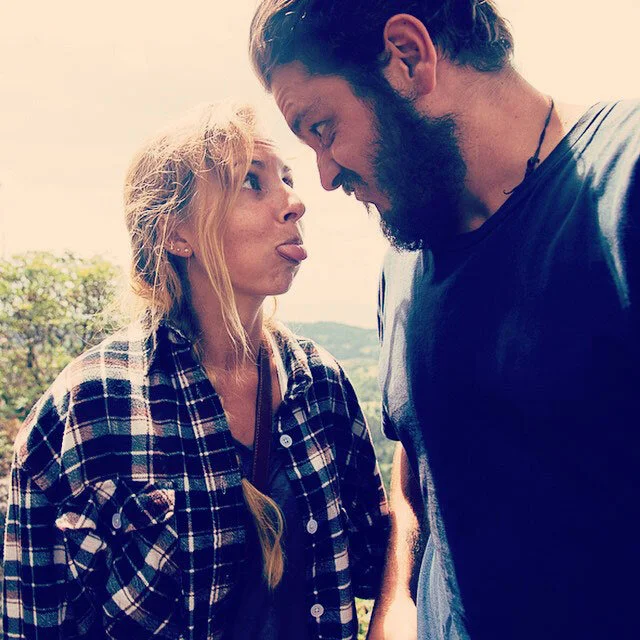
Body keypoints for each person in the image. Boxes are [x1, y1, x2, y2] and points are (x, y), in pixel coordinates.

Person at [248, 1, 640, 639]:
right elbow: (420, 472)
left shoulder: (625, 184)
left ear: (408, 57)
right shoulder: (403, 267)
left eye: (322, 127)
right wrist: (396, 609)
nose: (324, 176)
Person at [1, 102, 389, 639]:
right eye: (251, 182)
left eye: (287, 179)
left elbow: (380, 562)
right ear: (176, 233)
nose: (296, 203)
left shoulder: (320, 384)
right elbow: (34, 621)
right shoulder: (89, 408)